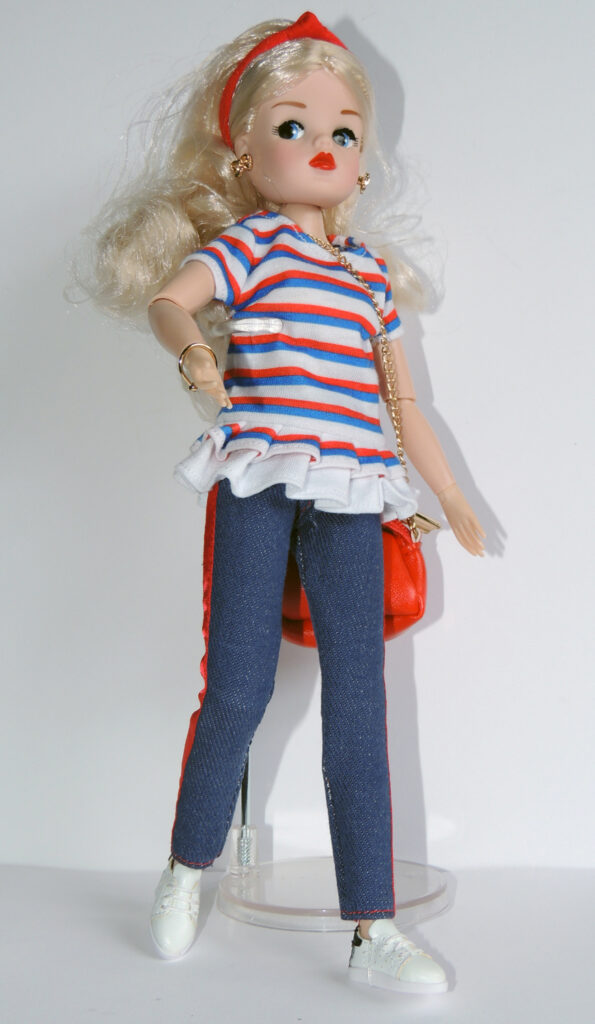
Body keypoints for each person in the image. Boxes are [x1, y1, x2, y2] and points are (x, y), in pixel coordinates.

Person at [85, 12, 485, 995]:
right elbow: (171, 299)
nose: (323, 145)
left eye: (344, 130)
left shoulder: (366, 278)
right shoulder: (251, 246)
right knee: (236, 687)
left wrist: (446, 491)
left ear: (363, 161)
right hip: (259, 475)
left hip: (352, 490)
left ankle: (372, 925)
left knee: (358, 702)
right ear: (244, 150)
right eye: (295, 125)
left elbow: (401, 403)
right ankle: (187, 864)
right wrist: (194, 352)